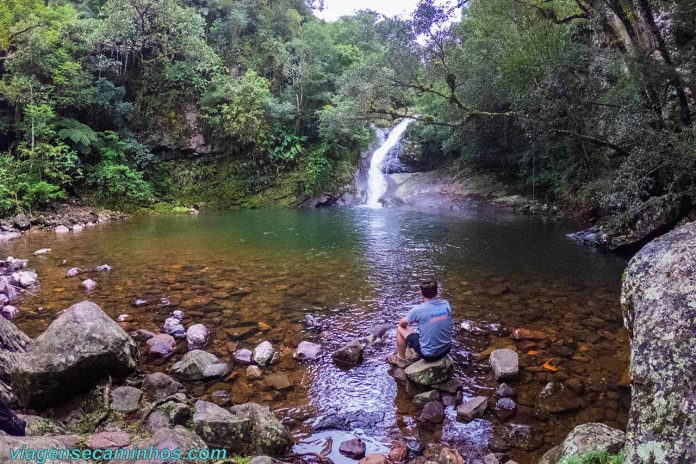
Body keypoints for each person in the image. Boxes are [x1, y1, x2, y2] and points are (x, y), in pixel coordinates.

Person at [389, 279, 453, 368]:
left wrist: (405, 321)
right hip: (447, 349)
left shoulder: (418, 309)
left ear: (421, 293)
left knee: (400, 329)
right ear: (436, 292)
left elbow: (402, 324)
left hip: (429, 355)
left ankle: (401, 359)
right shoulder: (446, 304)